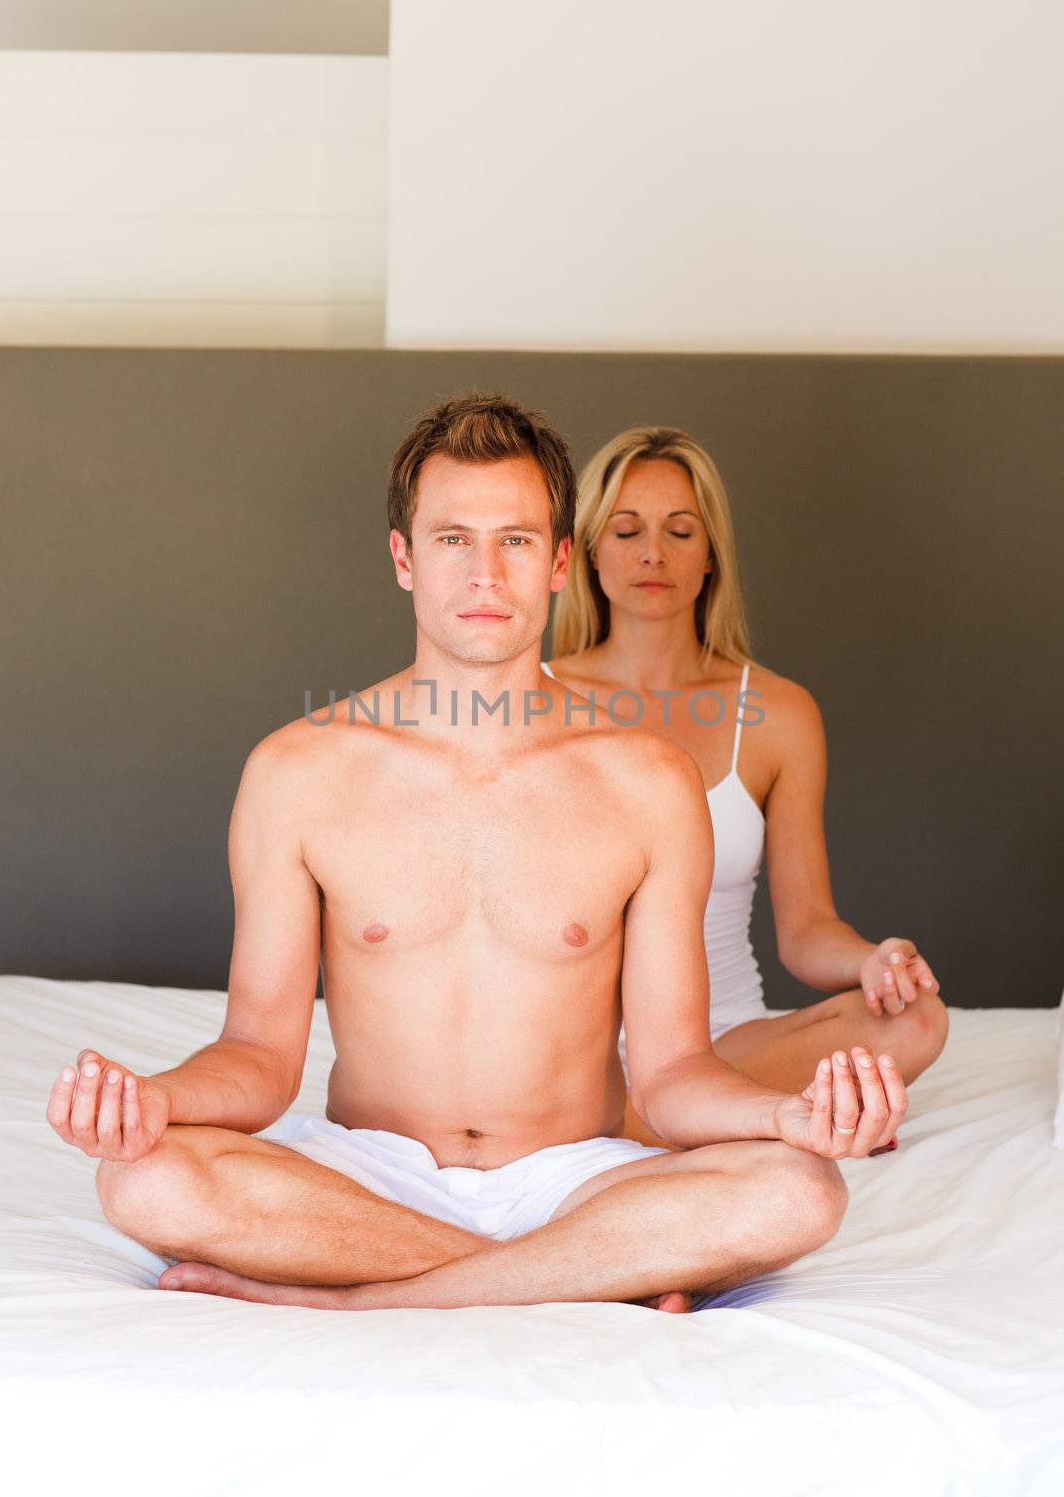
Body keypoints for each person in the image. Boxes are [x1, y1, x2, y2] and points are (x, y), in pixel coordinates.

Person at [46, 394, 908, 1315]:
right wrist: (150, 1099)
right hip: (367, 1170)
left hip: (571, 1175)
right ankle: (573, 1273)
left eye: (517, 540)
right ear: (404, 559)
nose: (485, 573)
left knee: (800, 1191)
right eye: (454, 539)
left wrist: (784, 1117)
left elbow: (667, 1076)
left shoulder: (647, 782)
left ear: (559, 565)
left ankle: (364, 1296)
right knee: (144, 1179)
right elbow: (258, 1054)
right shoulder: (296, 771)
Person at [542, 424, 948, 1152]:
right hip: (569, 1047)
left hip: (727, 1042)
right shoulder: (531, 697)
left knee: (917, 1020)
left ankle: (642, 1122)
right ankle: (706, 1116)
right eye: (626, 530)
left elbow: (804, 932)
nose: (652, 554)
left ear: (710, 557)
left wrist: (870, 961)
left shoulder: (777, 712)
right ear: (589, 553)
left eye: (680, 530)